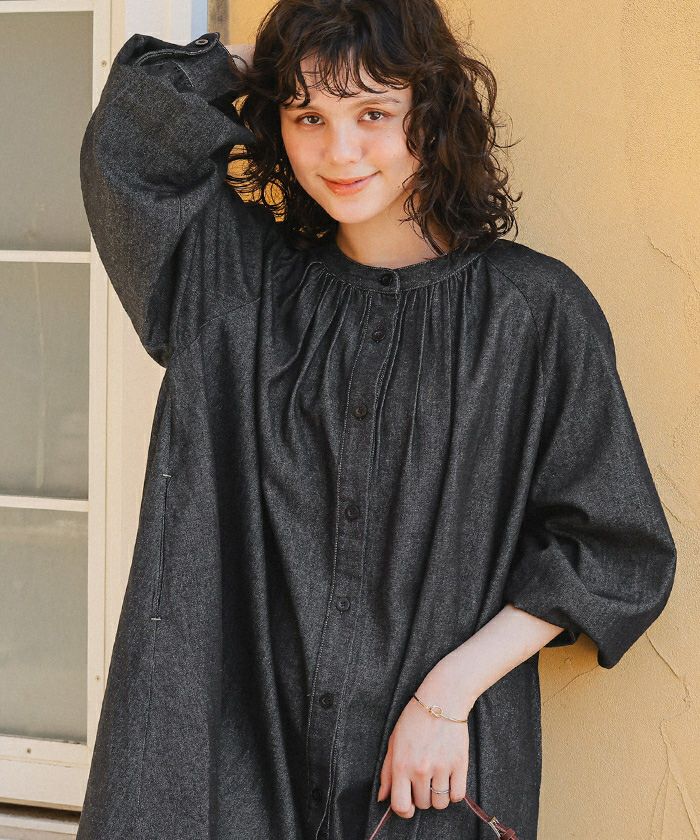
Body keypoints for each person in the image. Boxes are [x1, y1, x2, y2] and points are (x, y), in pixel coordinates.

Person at [76, 2, 677, 839]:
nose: (340, 151)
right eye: (308, 117)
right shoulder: (233, 291)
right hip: (232, 767)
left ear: (431, 111)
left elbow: (616, 551)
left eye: (373, 112)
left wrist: (449, 694)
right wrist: (275, 57)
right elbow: (131, 134)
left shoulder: (532, 314)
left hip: (427, 772)